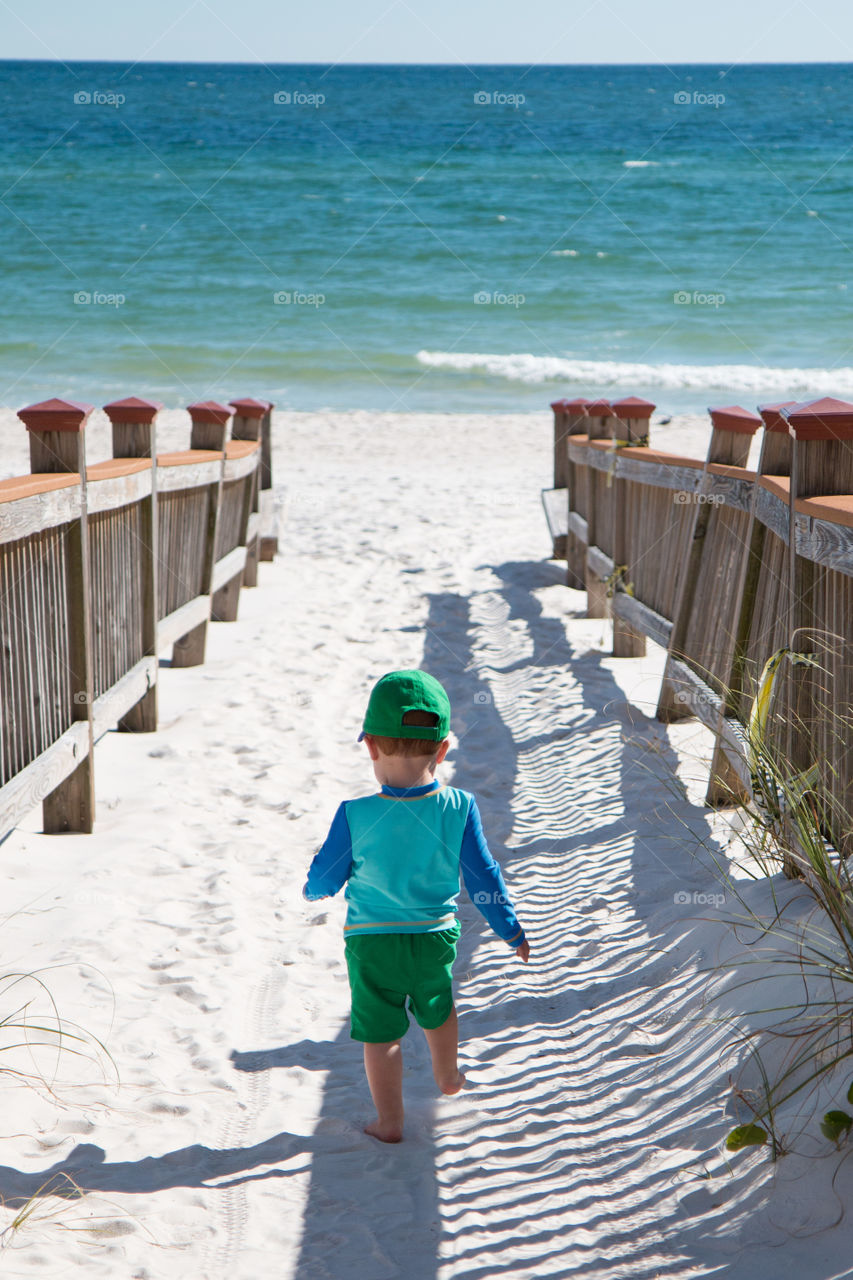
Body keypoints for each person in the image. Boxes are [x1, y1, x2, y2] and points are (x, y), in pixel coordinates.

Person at [303, 668, 529, 1143]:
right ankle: (448, 1075)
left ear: (370, 746)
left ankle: (389, 1122)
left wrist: (313, 890)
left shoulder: (355, 814)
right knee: (438, 1006)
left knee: (380, 1033)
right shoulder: (461, 807)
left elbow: (327, 875)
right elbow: (483, 875)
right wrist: (509, 929)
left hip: (370, 944)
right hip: (434, 938)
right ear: (443, 749)